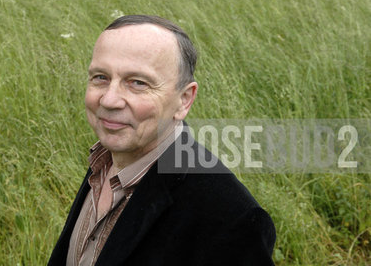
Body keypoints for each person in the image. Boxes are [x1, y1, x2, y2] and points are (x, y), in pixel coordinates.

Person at [48, 15, 276, 266]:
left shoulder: (231, 218)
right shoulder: (105, 162)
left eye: (137, 83)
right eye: (100, 77)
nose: (109, 100)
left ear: (184, 100)